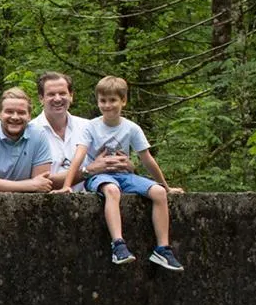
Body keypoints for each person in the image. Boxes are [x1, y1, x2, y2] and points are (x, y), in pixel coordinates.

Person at [56, 76, 185, 270]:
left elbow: (147, 159)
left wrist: (166, 187)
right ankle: (118, 244)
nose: (107, 106)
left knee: (158, 193)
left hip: (125, 176)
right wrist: (67, 185)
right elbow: (79, 156)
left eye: (113, 100)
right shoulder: (91, 127)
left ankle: (162, 249)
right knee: (112, 190)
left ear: (123, 101)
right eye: (103, 101)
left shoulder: (131, 128)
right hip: (99, 176)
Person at [31, 71, 128, 190]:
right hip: (46, 204)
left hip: (91, 203)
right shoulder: (31, 132)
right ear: (41, 98)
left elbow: (110, 165)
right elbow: (40, 183)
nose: (57, 99)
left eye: (62, 93)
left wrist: (127, 165)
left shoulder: (88, 127)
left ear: (71, 96)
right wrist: (88, 170)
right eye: (51, 94)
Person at [0, 88, 53, 192]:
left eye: (21, 112)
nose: (15, 117)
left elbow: (41, 184)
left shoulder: (39, 135)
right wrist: (29, 185)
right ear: (0, 114)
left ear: (29, 116)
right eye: (9, 111)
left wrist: (34, 185)